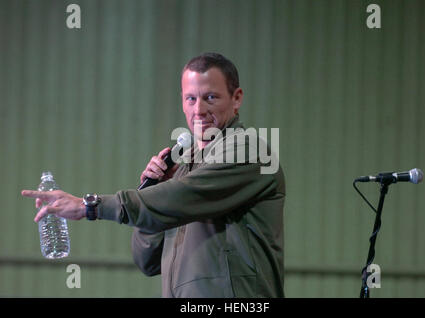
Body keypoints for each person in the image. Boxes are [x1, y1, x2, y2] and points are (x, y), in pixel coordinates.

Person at [22, 53, 286, 298]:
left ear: (236, 98)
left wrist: (89, 205)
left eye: (211, 98)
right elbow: (147, 260)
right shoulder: (184, 171)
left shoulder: (252, 152)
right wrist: (152, 189)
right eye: (190, 98)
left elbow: (184, 196)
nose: (198, 110)